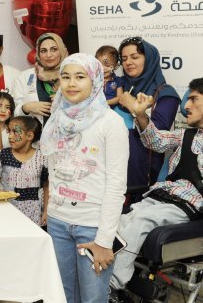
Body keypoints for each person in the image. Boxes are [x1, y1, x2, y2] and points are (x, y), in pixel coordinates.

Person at [41, 53, 129, 303]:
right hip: (58, 222)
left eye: (80, 77)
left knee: (93, 299)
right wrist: (50, 210)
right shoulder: (57, 120)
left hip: (93, 226)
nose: (71, 83)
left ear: (95, 80)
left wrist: (104, 241)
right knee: (60, 296)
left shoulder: (111, 123)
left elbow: (116, 185)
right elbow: (53, 172)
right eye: (65, 77)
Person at [110, 78, 203, 292]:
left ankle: (112, 284)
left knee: (141, 221)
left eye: (193, 99)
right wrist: (141, 114)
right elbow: (155, 141)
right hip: (160, 197)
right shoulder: (185, 135)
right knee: (120, 220)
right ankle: (101, 273)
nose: (186, 106)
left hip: (187, 206)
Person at [117, 37, 180, 194]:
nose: (128, 62)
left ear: (149, 59)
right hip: (110, 170)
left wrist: (133, 107)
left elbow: (158, 136)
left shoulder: (166, 94)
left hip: (142, 176)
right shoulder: (116, 87)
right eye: (124, 59)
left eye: (135, 57)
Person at [0, 116, 48, 226]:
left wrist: (45, 211)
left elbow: (46, 186)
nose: (10, 136)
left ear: (29, 136)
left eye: (15, 132)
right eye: (9, 131)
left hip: (33, 214)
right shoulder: (3, 155)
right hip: (7, 210)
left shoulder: (42, 158)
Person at [13, 32, 69, 125]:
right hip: (36, 133)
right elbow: (14, 113)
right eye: (43, 51)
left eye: (54, 49)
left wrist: (64, 101)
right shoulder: (24, 77)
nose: (49, 55)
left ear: (61, 51)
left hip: (67, 131)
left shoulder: (72, 74)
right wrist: (26, 108)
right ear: (38, 54)